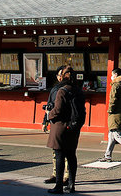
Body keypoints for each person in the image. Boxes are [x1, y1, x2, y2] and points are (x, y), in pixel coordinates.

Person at [46, 65, 82, 193]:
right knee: (72, 156)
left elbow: (58, 110)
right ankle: (71, 184)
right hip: (73, 126)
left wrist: (49, 115)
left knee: (59, 155)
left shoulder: (62, 90)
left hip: (60, 126)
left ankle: (58, 185)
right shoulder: (78, 90)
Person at [43, 65, 70, 186]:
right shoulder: (54, 89)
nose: (59, 77)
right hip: (54, 122)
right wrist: (45, 120)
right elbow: (49, 105)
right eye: (58, 75)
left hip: (64, 122)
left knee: (65, 152)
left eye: (61, 75)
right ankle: (55, 174)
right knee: (55, 151)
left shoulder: (68, 89)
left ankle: (66, 176)